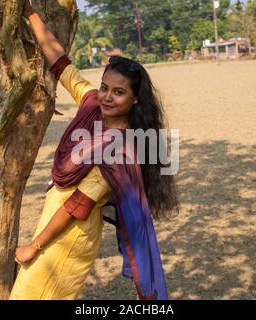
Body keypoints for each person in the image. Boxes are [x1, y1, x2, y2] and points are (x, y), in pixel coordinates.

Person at [10, 0, 178, 300]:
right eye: (104, 87)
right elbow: (61, 64)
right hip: (52, 222)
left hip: (68, 236)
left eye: (119, 92)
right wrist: (31, 14)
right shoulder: (91, 103)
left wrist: (33, 246)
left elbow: (78, 204)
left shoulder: (121, 149)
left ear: (136, 99)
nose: (107, 97)